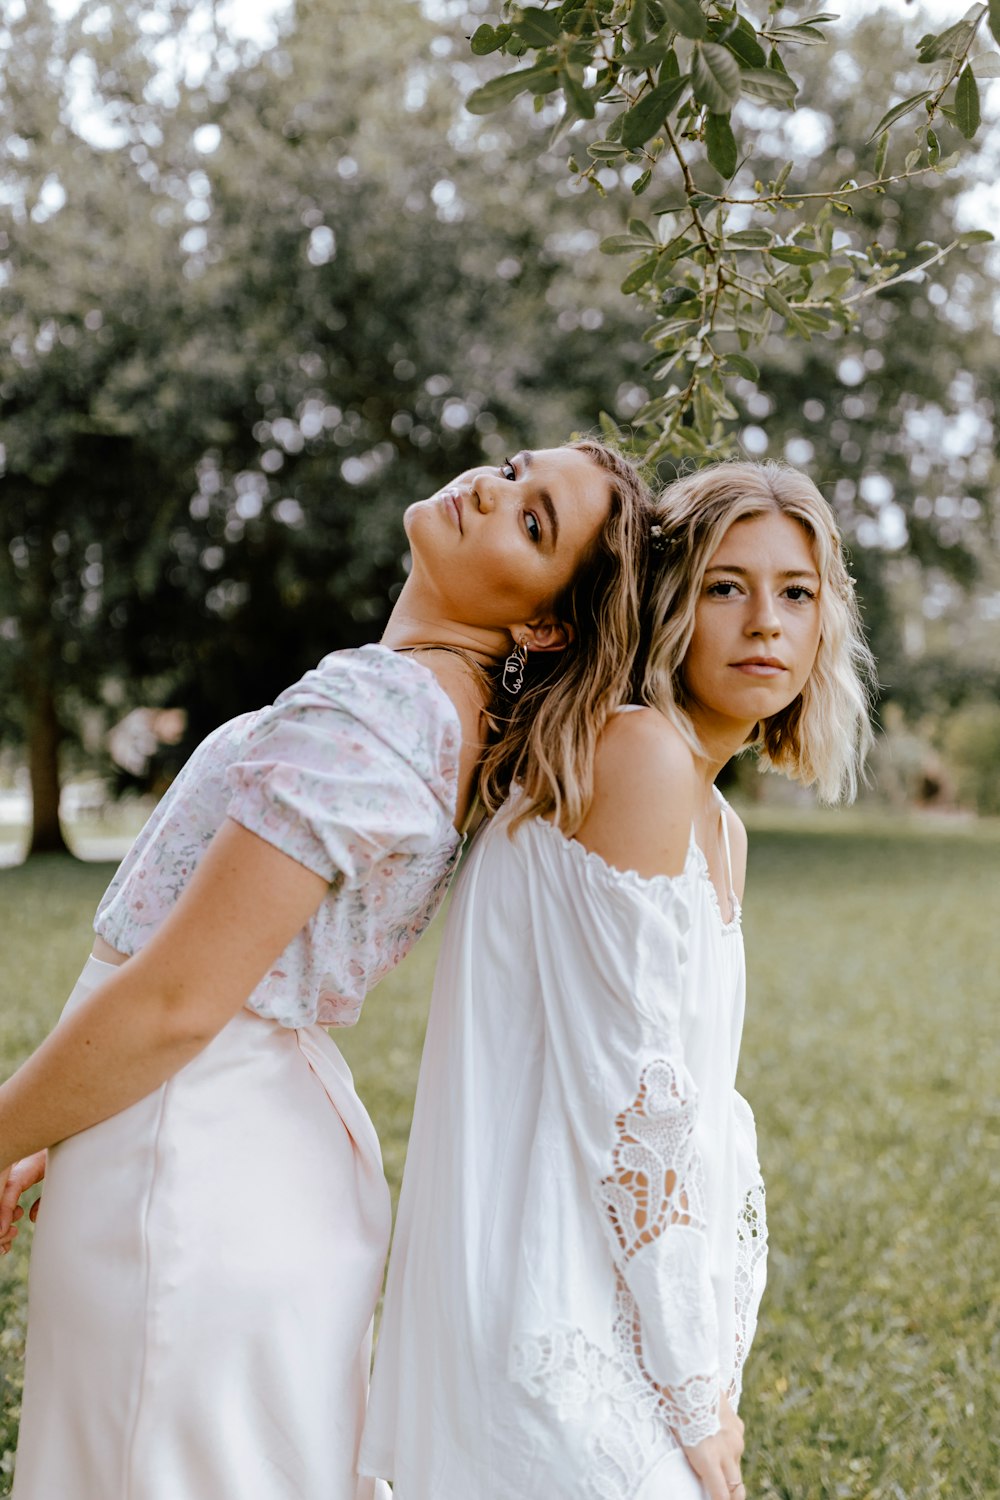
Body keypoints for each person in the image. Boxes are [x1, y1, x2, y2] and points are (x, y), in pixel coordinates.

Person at [0, 440, 655, 1500]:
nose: (488, 492)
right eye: (508, 469)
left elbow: (176, 1003)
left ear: (543, 625)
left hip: (187, 1154)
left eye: (532, 523)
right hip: (237, 1146)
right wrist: (57, 1120)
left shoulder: (381, 708)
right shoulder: (450, 727)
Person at [360, 460, 876, 1500]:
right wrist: (695, 1400)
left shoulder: (714, 822)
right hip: (547, 1303)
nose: (764, 624)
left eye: (795, 592)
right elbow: (634, 1112)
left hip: (608, 1294)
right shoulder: (635, 755)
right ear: (666, 603)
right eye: (726, 587)